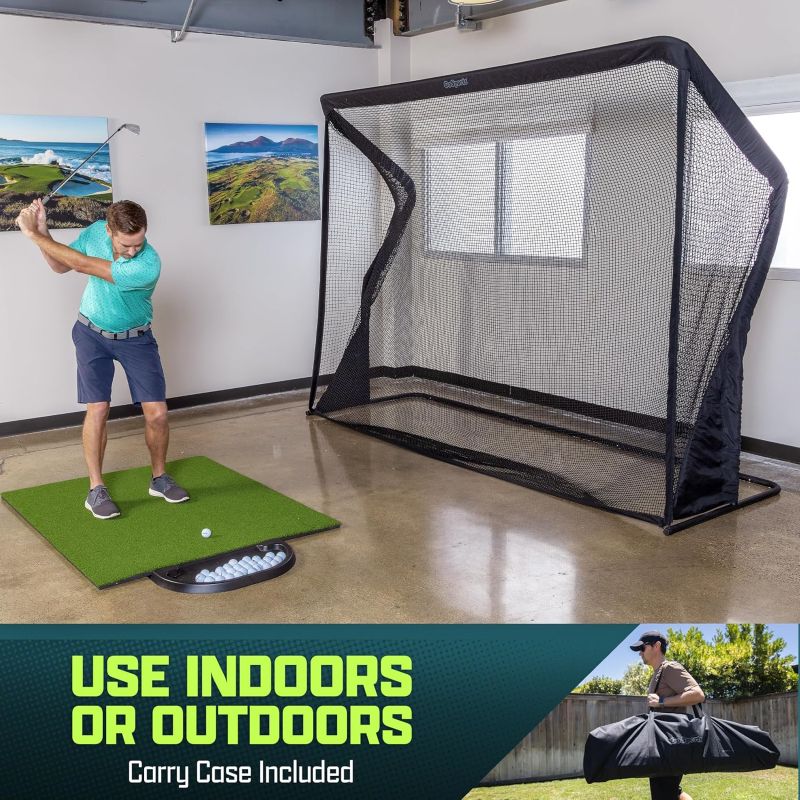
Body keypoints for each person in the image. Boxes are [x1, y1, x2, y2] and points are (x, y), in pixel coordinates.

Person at [15, 198, 189, 519]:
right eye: (126, 244)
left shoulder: (147, 264)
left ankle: (159, 478)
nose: (134, 250)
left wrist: (33, 235)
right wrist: (43, 231)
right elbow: (61, 265)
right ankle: (96, 489)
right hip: (90, 333)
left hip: (136, 338)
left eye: (139, 242)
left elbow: (84, 265)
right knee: (98, 409)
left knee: (158, 414)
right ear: (109, 231)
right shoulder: (95, 232)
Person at [630, 631, 705, 800]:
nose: (640, 652)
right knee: (672, 792)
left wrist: (661, 701)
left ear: (656, 646)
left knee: (664, 794)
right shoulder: (657, 673)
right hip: (663, 745)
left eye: (642, 648)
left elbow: (698, 695)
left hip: (671, 745)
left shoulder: (670, 668)